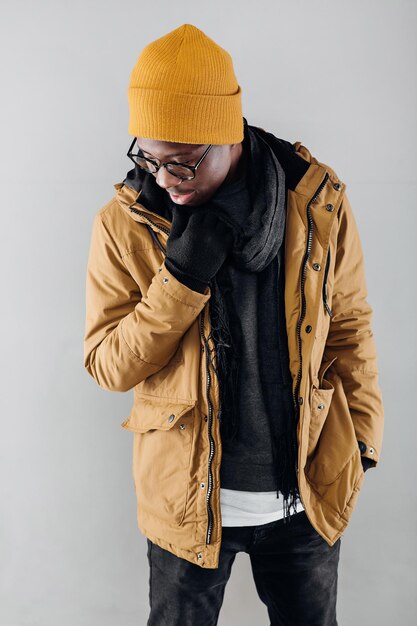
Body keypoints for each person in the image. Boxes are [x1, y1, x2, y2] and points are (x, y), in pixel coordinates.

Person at [83, 23, 384, 626]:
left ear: (229, 139)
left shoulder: (317, 204)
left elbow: (349, 326)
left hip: (305, 495)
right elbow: (107, 364)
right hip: (187, 507)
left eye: (184, 164)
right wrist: (181, 283)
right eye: (148, 156)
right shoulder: (127, 224)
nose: (164, 179)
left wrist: (364, 439)